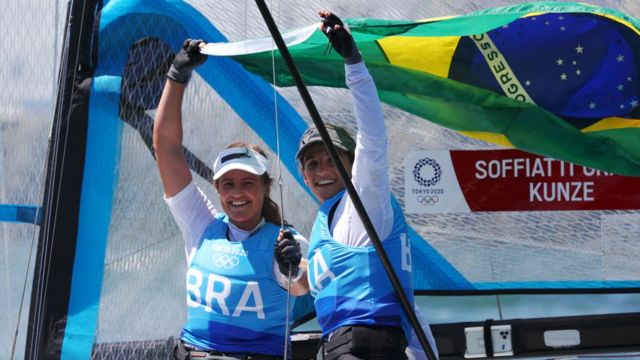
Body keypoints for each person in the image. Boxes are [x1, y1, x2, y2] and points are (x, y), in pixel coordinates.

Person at [153, 39, 309, 360]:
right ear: (217, 188)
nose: (237, 193)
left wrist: (293, 265)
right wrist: (176, 75)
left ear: (266, 187)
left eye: (247, 183)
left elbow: (301, 286)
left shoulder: (284, 240)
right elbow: (166, 147)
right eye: (228, 184)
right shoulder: (201, 224)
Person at [297, 11, 439, 360]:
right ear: (303, 175)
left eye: (332, 159)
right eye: (312, 164)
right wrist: (293, 261)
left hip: (365, 346)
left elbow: (373, 139)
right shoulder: (325, 223)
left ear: (351, 165)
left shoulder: (365, 200)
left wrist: (354, 63)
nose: (322, 170)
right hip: (341, 346)